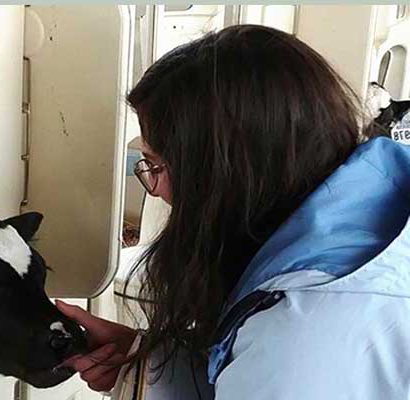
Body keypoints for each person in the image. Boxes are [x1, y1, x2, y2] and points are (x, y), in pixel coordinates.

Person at [57, 24, 410, 399]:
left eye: (155, 165)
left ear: (227, 177)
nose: (156, 190)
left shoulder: (300, 334)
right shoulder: (375, 219)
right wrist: (146, 362)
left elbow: (281, 367)